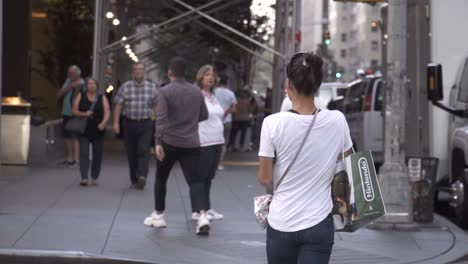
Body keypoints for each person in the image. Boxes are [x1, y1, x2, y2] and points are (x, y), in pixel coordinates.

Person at [257, 52, 353, 264]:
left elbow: (264, 178)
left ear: (288, 85)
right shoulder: (337, 120)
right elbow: (349, 163)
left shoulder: (272, 124)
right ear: (318, 85)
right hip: (319, 221)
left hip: (281, 222)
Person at [143, 57, 211, 235]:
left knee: (161, 178)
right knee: (195, 181)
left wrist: (158, 142)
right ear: (186, 73)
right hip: (191, 143)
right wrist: (188, 122)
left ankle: (159, 215)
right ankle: (202, 216)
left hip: (169, 142)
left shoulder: (165, 91)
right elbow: (204, 115)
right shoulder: (196, 92)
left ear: (169, 72)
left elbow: (161, 118)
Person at [113, 63, 158, 190]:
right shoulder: (125, 87)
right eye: (136, 70)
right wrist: (116, 123)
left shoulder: (152, 87)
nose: (138, 72)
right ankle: (134, 179)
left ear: (144, 72)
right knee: (131, 152)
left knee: (143, 149)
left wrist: (158, 123)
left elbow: (156, 106)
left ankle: (142, 175)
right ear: (133, 72)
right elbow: (118, 105)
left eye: (140, 70)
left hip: (146, 123)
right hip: (129, 123)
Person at [193, 65, 225, 221]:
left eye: (212, 75)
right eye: (206, 75)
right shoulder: (197, 95)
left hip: (217, 141)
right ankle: (198, 209)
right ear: (200, 77)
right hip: (203, 141)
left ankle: (207, 207)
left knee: (209, 177)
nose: (210, 77)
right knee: (201, 176)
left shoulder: (213, 95)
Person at [72, 78, 110, 186]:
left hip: (98, 129)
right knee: (84, 153)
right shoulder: (81, 96)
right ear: (86, 86)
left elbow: (107, 112)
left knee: (97, 154)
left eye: (93, 84)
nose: (91, 86)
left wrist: (103, 123)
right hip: (84, 129)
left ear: (97, 86)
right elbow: (74, 110)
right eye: (89, 84)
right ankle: (84, 177)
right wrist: (84, 114)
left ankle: (94, 176)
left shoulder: (102, 98)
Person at [57, 65, 85, 168]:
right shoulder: (68, 81)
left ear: (78, 73)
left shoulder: (83, 83)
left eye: (72, 73)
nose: (70, 75)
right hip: (66, 112)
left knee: (75, 136)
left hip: (76, 113)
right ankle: (69, 158)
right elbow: (59, 94)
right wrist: (70, 86)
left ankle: (76, 160)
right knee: (66, 135)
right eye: (69, 73)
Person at [214, 74, 236, 170]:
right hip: (227, 121)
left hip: (214, 121)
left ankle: (212, 162)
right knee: (223, 143)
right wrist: (226, 112)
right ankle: (220, 163)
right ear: (227, 83)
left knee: (213, 142)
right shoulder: (230, 93)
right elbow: (234, 109)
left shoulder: (213, 92)